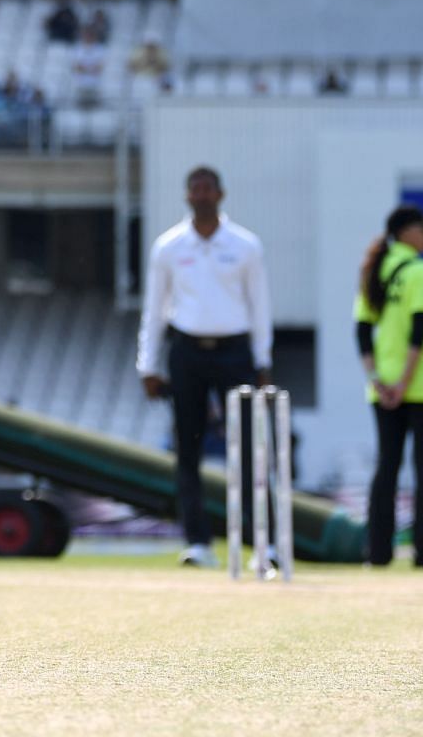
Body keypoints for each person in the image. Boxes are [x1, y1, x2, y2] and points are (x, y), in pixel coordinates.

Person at [137, 166, 274, 569]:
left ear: (221, 193)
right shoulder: (169, 246)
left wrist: (263, 360)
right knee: (188, 449)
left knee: (250, 448)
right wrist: (147, 364)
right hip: (187, 351)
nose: (201, 194)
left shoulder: (245, 245)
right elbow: (154, 310)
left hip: (235, 351)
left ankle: (262, 545)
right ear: (186, 196)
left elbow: (260, 306)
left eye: (208, 188)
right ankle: (198, 543)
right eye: (195, 188)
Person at [356, 204, 423, 568]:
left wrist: (379, 381)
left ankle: (377, 553)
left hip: (383, 389)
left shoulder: (374, 269)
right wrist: (404, 383)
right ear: (404, 232)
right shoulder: (420, 270)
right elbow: (420, 328)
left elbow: (362, 333)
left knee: (387, 467)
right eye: (422, 228)